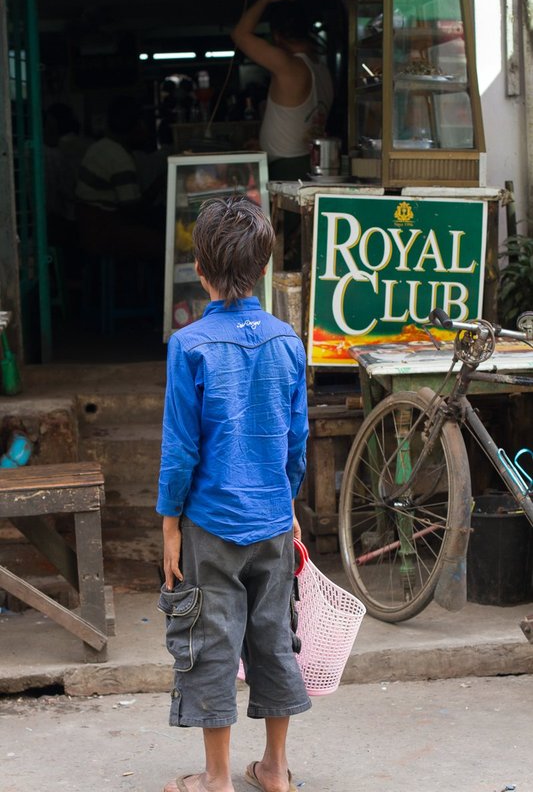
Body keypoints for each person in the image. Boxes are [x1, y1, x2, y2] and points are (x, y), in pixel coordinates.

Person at [157, 196, 310, 792]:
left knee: (209, 641)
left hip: (210, 524)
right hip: (271, 518)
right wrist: (288, 505)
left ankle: (216, 778)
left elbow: (180, 450)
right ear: (266, 269)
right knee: (274, 638)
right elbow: (295, 440)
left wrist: (170, 527)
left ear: (200, 270)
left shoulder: (189, 345)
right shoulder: (287, 342)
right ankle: (274, 768)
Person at [231, 0, 333, 181]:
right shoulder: (321, 69)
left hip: (288, 168)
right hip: (307, 160)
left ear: (276, 36)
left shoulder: (289, 65)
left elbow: (239, 34)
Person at [75, 95, 165, 263]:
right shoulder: (119, 158)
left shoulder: (99, 146)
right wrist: (159, 184)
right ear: (134, 126)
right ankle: (147, 288)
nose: (145, 129)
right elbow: (133, 210)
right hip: (104, 232)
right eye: (142, 123)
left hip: (90, 229)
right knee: (164, 245)